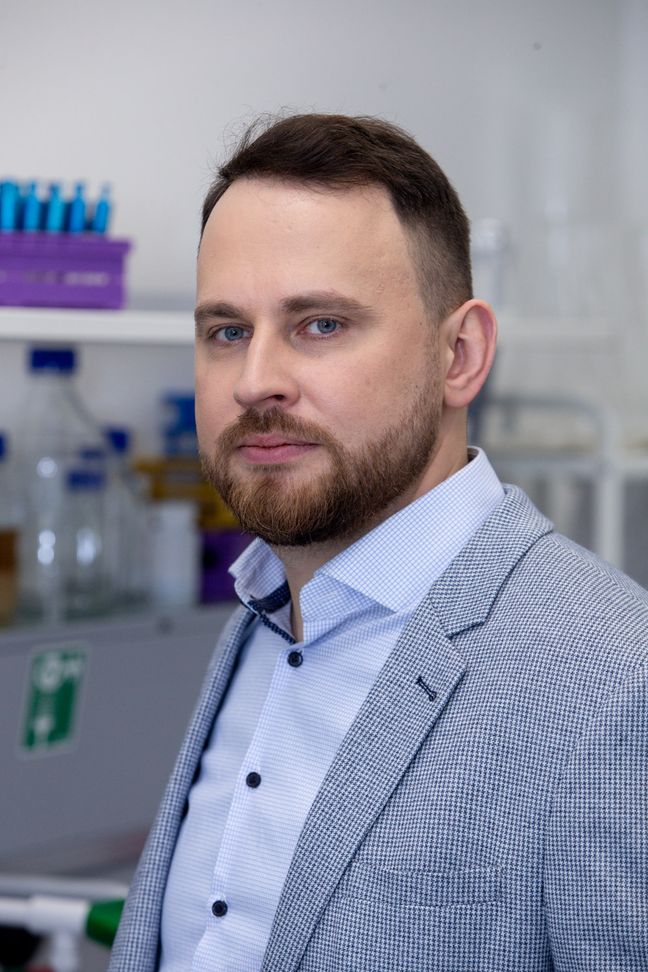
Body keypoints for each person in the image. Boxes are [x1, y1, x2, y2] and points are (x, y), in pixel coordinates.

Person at [109, 114, 648, 972]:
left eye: (321, 324)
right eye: (227, 332)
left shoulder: (617, 681)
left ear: (459, 355)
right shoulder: (260, 617)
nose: (256, 382)